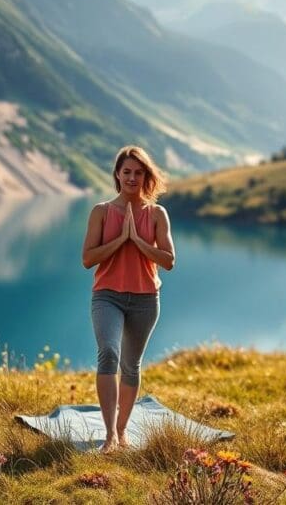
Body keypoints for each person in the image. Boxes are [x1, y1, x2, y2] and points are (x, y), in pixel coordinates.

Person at [82, 145, 176, 453]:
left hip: (146, 299)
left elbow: (168, 260)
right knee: (108, 353)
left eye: (138, 172)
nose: (132, 178)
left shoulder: (157, 213)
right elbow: (87, 259)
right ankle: (109, 435)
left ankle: (123, 432)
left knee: (132, 366)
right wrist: (120, 239)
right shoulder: (102, 211)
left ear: (146, 176)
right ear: (117, 175)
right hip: (107, 296)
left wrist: (137, 241)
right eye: (127, 172)